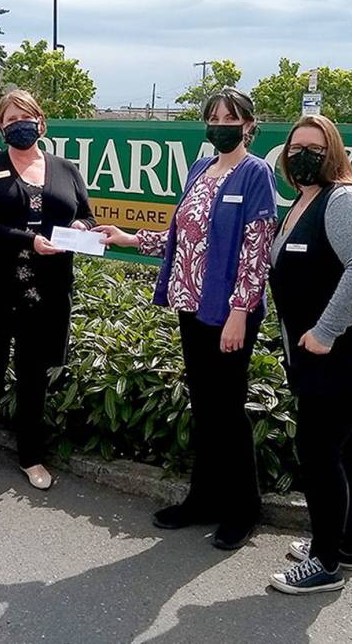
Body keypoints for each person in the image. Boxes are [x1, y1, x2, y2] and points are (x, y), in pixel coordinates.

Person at [95, 87, 277, 550]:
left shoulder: (256, 174)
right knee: (205, 407)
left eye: (230, 118)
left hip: (230, 311)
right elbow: (181, 236)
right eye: (213, 116)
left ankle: (243, 509)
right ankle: (203, 500)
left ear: (248, 126)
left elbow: (256, 253)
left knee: (228, 410)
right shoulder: (200, 168)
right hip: (192, 305)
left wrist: (241, 312)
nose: (220, 124)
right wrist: (129, 238)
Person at [265, 115, 352, 595]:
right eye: (296, 145)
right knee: (344, 447)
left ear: (334, 152)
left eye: (315, 148)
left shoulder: (344, 199)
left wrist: (325, 331)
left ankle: (323, 563)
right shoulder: (306, 200)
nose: (302, 154)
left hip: (346, 352)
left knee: (318, 452)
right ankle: (344, 544)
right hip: (321, 353)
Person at [0, 89, 95, 491]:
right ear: (1, 127)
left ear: (41, 121)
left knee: (33, 377)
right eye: (11, 118)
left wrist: (81, 230)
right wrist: (27, 240)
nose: (20, 124)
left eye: (27, 116)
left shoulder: (65, 169)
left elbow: (87, 214)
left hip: (47, 292)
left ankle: (32, 457)